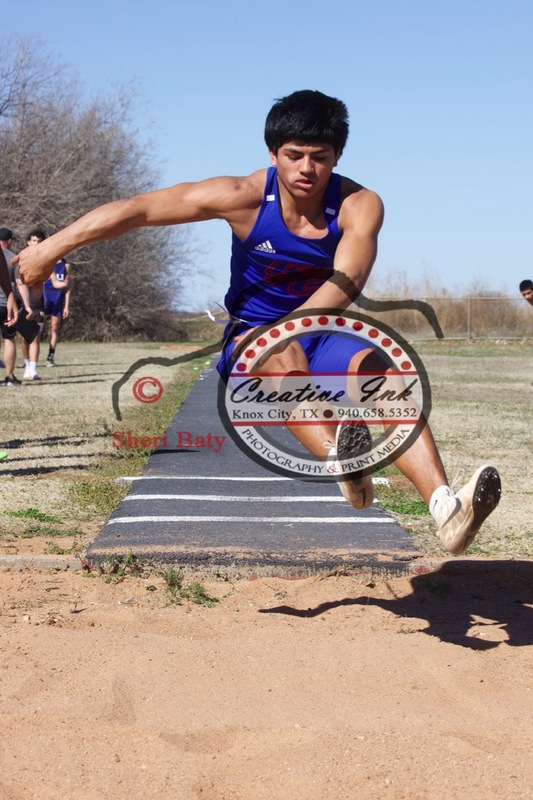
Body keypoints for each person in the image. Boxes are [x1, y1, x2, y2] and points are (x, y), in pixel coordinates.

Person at [14, 89, 501, 554]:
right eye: (294, 155)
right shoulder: (243, 196)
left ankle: (445, 508)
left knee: (379, 374)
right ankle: (343, 464)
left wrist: (296, 326)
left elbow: (350, 276)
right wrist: (54, 246)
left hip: (324, 325)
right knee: (276, 351)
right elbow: (138, 210)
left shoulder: (359, 204)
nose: (307, 168)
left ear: (337, 157)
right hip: (254, 336)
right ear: (273, 154)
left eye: (320, 156)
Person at [0, 227, 39, 386]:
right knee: (9, 339)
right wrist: (27, 306)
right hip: (6, 305)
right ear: (9, 241)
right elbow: (20, 284)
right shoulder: (13, 259)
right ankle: (9, 376)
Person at [43, 254, 71, 366]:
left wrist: (66, 306)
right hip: (44, 296)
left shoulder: (66, 265)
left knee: (54, 328)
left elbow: (67, 286)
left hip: (57, 297)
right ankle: (31, 359)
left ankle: (51, 356)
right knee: (38, 328)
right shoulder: (46, 262)